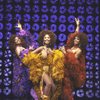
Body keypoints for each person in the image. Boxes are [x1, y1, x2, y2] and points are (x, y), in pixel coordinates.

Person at [9, 30, 64, 100]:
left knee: (54, 88)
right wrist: (38, 50)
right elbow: (29, 57)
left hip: (49, 72)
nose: (47, 39)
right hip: (42, 70)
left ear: (51, 39)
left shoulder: (51, 49)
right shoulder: (40, 48)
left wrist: (59, 52)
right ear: (42, 39)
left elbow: (56, 59)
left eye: (48, 37)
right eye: (45, 37)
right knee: (49, 84)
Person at [60, 18, 88, 100]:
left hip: (71, 72)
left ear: (80, 41)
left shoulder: (79, 50)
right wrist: (78, 26)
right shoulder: (70, 47)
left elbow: (72, 61)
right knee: (62, 90)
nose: (76, 40)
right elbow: (74, 35)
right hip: (64, 69)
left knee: (68, 90)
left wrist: (64, 52)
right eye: (75, 39)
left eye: (78, 39)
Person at [11, 21, 38, 100]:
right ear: (14, 42)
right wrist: (29, 51)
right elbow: (22, 58)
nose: (17, 40)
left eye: (18, 39)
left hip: (26, 69)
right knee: (22, 89)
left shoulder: (23, 47)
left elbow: (30, 40)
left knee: (28, 88)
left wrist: (21, 29)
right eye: (16, 39)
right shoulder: (17, 48)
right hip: (21, 71)